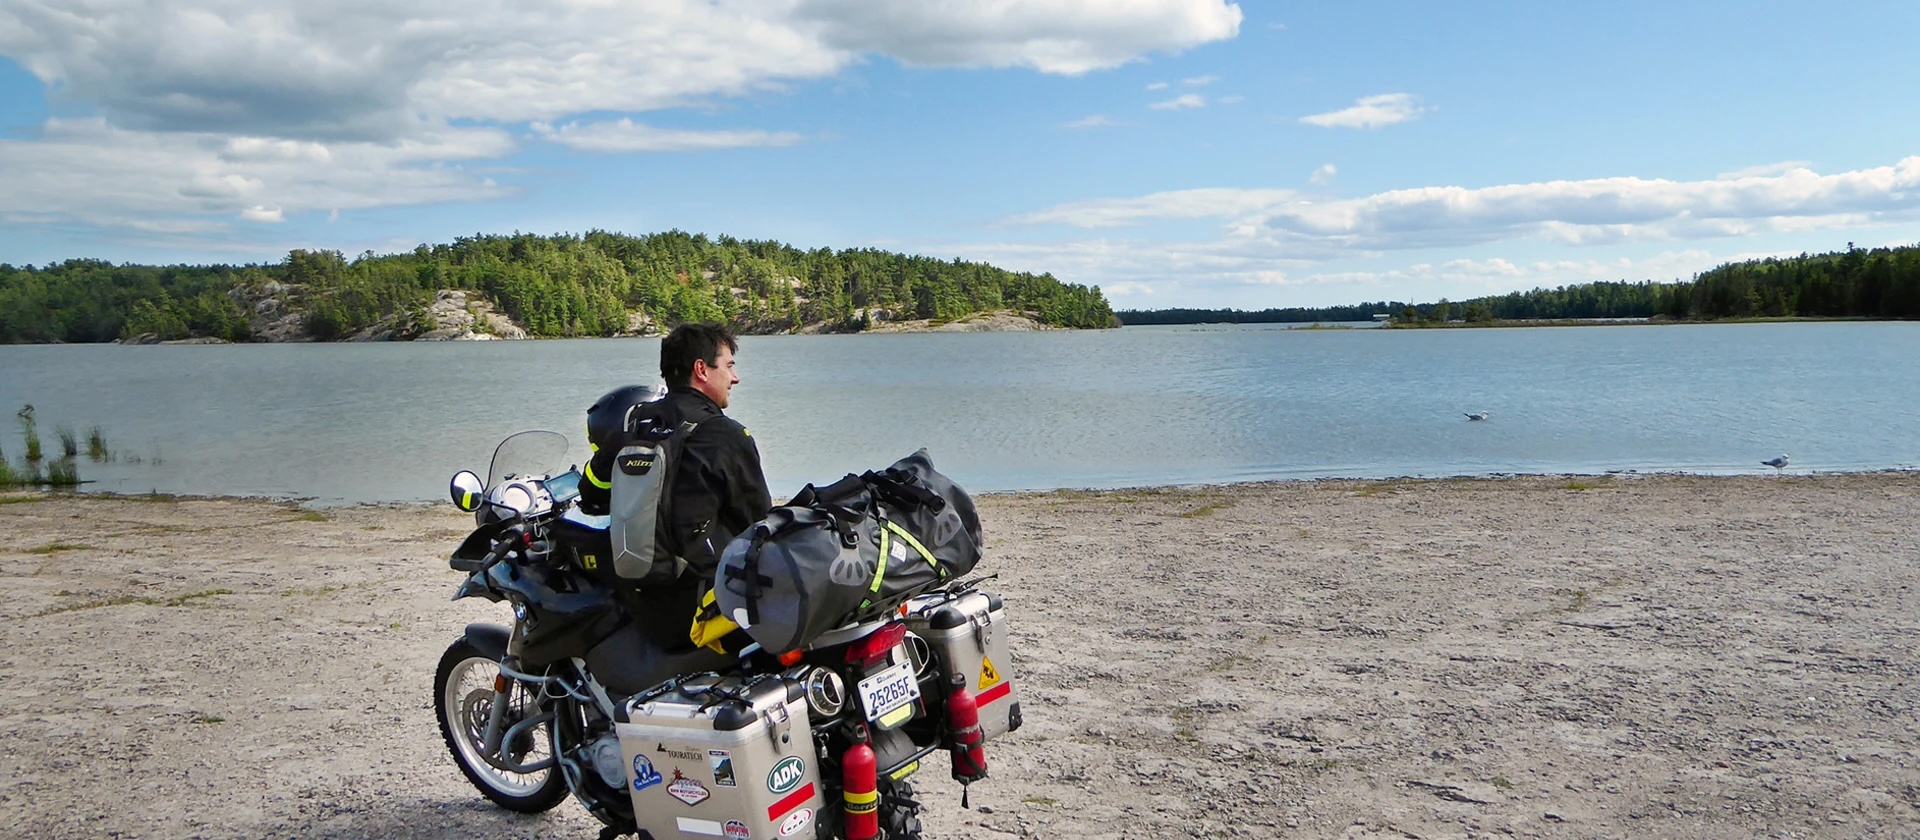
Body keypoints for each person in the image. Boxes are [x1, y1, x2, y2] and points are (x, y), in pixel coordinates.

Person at [579, 323, 772, 645]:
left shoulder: (633, 426)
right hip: (708, 602)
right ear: (702, 370)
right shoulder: (726, 436)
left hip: (642, 599)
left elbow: (591, 492)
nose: (735, 378)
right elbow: (760, 523)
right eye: (728, 366)